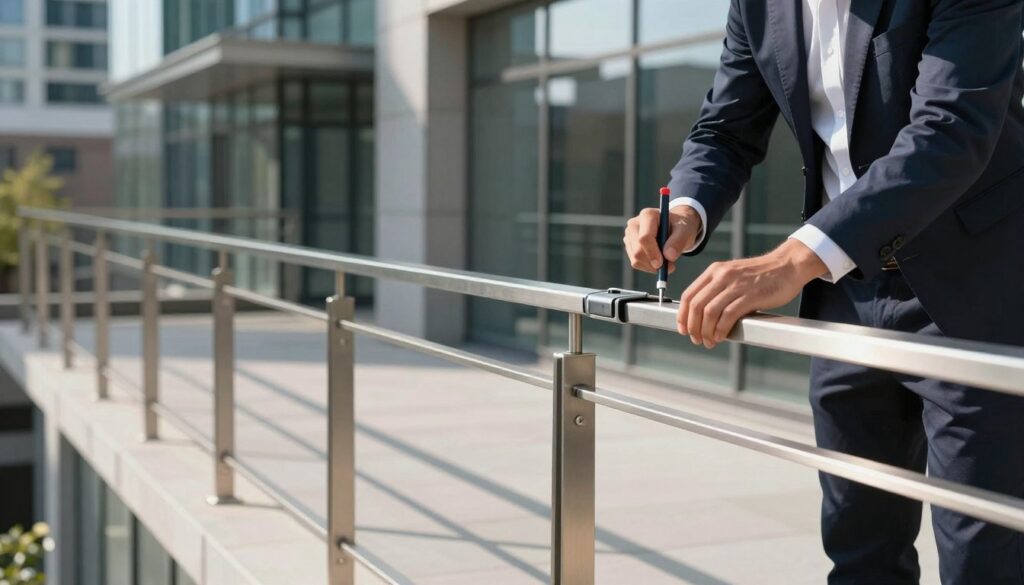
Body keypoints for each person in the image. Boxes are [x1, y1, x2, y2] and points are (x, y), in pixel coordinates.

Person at [622, 1, 1024, 584]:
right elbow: (726, 130)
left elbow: (950, 130)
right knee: (859, 554)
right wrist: (685, 210)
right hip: (844, 297)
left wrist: (793, 260)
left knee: (982, 562)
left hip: (972, 290)